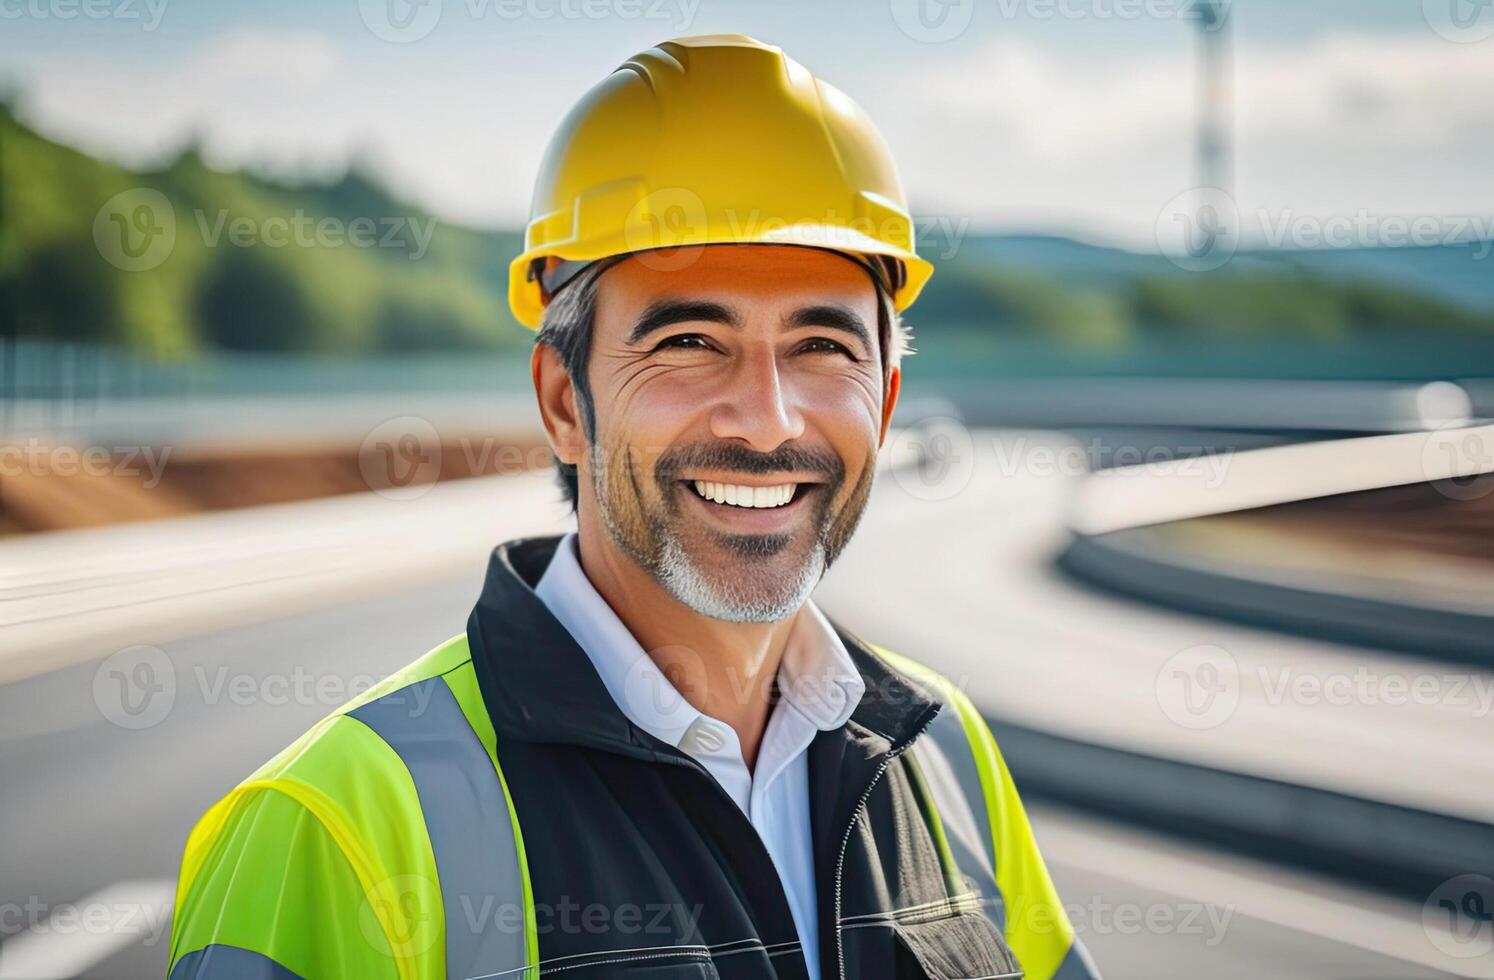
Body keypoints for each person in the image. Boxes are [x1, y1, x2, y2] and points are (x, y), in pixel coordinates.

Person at [167, 33, 1099, 980]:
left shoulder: (945, 755)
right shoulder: (338, 821)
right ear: (566, 403)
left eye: (823, 346)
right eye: (691, 340)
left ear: (886, 403)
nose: (768, 423)